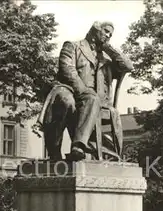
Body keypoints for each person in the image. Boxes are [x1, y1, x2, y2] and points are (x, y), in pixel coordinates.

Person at [38, 21, 133, 161]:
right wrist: (82, 90)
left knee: (92, 98)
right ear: (95, 30)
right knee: (67, 102)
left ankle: (78, 146)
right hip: (69, 89)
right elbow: (67, 71)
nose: (108, 35)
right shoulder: (73, 46)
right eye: (106, 31)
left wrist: (109, 47)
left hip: (93, 100)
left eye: (111, 35)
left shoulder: (106, 58)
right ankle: (54, 150)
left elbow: (128, 66)